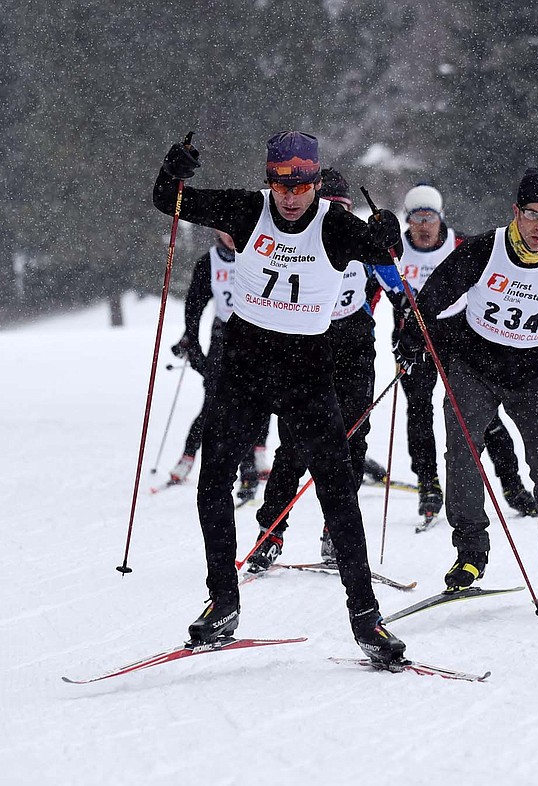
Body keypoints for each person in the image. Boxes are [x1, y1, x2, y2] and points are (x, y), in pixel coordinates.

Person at [153, 131, 407, 665]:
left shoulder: (335, 226)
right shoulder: (247, 210)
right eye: (281, 185)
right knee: (214, 483)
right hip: (244, 365)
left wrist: (387, 233)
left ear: (316, 181)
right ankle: (223, 602)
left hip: (306, 370)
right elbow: (169, 201)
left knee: (339, 491)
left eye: (302, 185)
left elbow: (387, 255)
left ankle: (367, 621)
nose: (291, 196)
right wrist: (172, 173)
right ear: (268, 181)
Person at [393, 165, 538, 607]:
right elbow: (437, 292)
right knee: (462, 454)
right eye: (533, 214)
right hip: (473, 367)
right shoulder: (486, 249)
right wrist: (412, 336)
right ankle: (470, 555)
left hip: (532, 377)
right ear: (516, 211)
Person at [247, 168, 405, 570]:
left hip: (354, 344)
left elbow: (401, 292)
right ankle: (271, 532)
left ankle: (337, 533)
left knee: (352, 441)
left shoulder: (360, 243)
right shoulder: (301, 240)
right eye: (332, 207)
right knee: (295, 445)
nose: (339, 216)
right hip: (306, 345)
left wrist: (413, 331)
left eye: (345, 208)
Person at [396, 184, 538, 521]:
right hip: (414, 338)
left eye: (430, 217)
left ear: (440, 217)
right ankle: (428, 483)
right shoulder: (394, 250)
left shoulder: (460, 244)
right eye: (417, 217)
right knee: (419, 410)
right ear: (408, 219)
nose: (424, 225)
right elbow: (373, 290)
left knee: (483, 412)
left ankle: (512, 483)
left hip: (459, 336)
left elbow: (493, 280)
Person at [167, 230, 269, 502]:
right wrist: (191, 340)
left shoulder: (259, 254)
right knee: (214, 404)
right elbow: (194, 307)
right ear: (216, 232)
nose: (232, 235)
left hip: (257, 336)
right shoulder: (209, 263)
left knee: (257, 401)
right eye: (225, 230)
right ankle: (188, 457)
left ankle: (255, 458)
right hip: (223, 336)